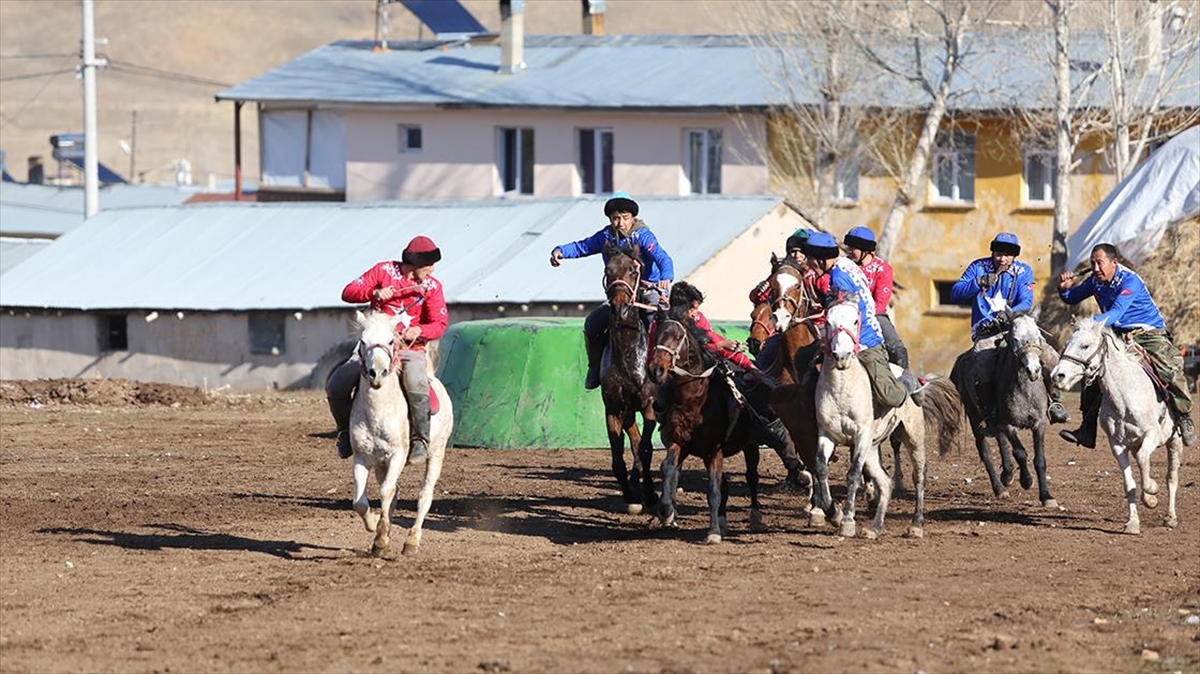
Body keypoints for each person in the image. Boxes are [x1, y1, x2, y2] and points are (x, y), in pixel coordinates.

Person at [651, 281, 800, 477]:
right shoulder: (665, 324)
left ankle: (782, 450)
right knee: (661, 396)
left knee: (747, 399)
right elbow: (705, 346)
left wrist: (749, 366)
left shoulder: (699, 320)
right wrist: (720, 345)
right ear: (683, 308)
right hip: (674, 376)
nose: (697, 311)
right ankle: (667, 429)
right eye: (694, 307)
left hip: (708, 371)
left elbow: (710, 340)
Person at [1057, 243, 1195, 448]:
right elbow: (1072, 297)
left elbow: (1116, 313)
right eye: (1092, 263)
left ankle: (1184, 416)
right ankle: (1087, 428)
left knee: (1170, 369)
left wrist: (1089, 324)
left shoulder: (1130, 280)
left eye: (1099, 263)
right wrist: (1063, 290)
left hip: (1148, 333)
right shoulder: (1096, 280)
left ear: (1114, 262)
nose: (1095, 268)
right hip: (1118, 334)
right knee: (1092, 373)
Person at [326, 235, 449, 464]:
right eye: (429, 265)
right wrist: (373, 293)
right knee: (337, 384)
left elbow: (439, 324)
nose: (432, 270)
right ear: (415, 264)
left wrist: (419, 331)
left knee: (417, 384)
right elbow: (348, 292)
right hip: (375, 346)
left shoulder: (432, 287)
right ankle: (344, 431)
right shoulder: (383, 271)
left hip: (410, 349)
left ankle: (420, 439)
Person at [549, 191, 674, 389]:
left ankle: (665, 373)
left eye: (625, 218)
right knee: (593, 323)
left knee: (655, 321)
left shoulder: (642, 236)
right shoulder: (606, 236)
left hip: (647, 289)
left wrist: (666, 277)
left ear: (632, 218)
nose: (620, 223)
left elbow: (663, 258)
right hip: (622, 294)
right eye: (616, 218)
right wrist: (560, 251)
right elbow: (583, 246)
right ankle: (595, 367)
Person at [950, 232, 1070, 424]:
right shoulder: (978, 267)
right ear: (993, 252)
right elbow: (955, 293)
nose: (1002, 258)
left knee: (1050, 356)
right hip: (986, 331)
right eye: (998, 253)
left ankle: (1055, 402)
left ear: (1014, 256)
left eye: (1007, 254)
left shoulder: (1023, 272)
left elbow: (1026, 301)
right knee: (982, 367)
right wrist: (978, 283)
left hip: (1017, 325)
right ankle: (989, 413)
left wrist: (1009, 314)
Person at [804, 231, 916, 408]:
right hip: (853, 334)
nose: (807, 264)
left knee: (891, 397)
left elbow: (846, 316)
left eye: (809, 258)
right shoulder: (845, 264)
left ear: (820, 258)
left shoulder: (839, 278)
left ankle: (911, 382)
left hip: (865, 341)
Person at [747, 228, 819, 368]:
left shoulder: (815, 273)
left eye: (801, 251)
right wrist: (763, 287)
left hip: (814, 322)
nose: (797, 255)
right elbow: (756, 297)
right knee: (768, 351)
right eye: (793, 251)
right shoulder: (783, 273)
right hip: (783, 326)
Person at [843, 226, 909, 370]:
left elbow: (880, 303)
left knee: (897, 348)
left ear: (865, 250)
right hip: (847, 313)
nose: (848, 251)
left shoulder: (882, 268)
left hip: (874, 314)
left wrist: (863, 317)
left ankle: (906, 381)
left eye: (852, 248)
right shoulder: (844, 266)